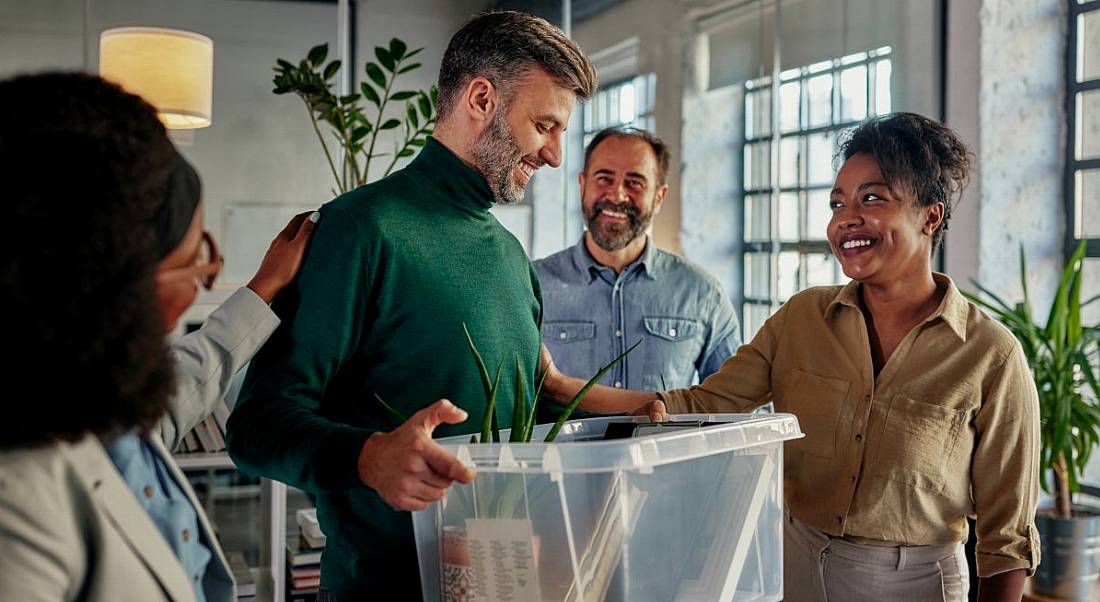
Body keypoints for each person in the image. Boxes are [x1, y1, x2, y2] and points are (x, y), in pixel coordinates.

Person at [540, 113, 1039, 602]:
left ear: (931, 215)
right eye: (837, 202)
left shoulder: (989, 355)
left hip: (916, 582)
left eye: (872, 198)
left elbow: (1007, 537)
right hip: (795, 565)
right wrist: (561, 387)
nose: (846, 218)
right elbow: (700, 404)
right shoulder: (803, 318)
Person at [224, 10, 597, 601]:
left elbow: (519, 427)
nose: (554, 155)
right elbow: (255, 427)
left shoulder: (510, 256)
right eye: (545, 125)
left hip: (506, 584)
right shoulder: (357, 230)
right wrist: (369, 456)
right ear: (481, 98)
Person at [0, 72, 316, 602]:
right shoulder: (18, 508)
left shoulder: (85, 393)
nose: (203, 280)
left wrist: (265, 288)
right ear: (112, 290)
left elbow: (181, 385)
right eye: (195, 259)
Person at [535, 127, 739, 390]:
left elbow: (733, 403)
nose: (617, 195)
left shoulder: (703, 293)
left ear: (659, 197)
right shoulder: (534, 285)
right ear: (583, 184)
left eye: (634, 183)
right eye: (604, 178)